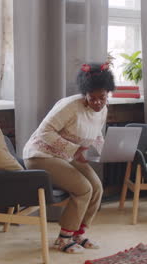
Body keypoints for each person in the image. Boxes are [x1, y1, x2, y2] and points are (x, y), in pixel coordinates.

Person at [23, 62, 115, 254]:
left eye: (102, 98)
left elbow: (96, 134)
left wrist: (107, 150)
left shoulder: (103, 109)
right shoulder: (70, 106)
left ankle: (78, 233)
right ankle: (64, 238)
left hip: (67, 156)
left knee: (96, 187)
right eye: (93, 98)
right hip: (41, 155)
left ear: (108, 94)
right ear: (85, 94)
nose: (98, 102)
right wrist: (75, 150)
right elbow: (44, 132)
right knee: (83, 189)